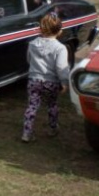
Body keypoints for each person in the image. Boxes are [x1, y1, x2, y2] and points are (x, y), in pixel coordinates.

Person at [21, 13, 70, 143]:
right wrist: (64, 82)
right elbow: (61, 67)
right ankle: (53, 127)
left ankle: (27, 132)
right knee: (52, 104)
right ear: (59, 31)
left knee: (32, 105)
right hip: (51, 82)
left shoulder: (32, 44)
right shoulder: (60, 48)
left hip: (34, 80)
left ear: (41, 29)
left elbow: (28, 59)